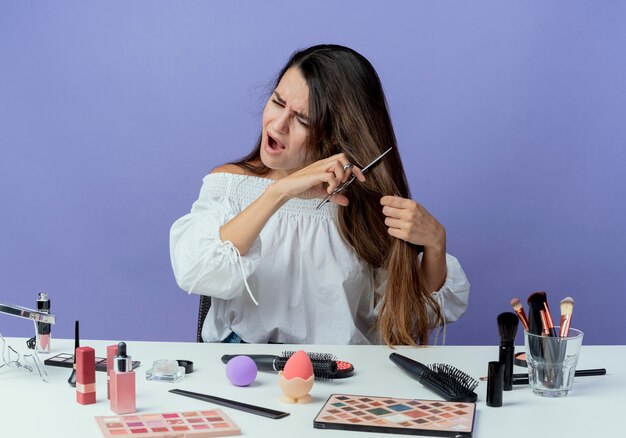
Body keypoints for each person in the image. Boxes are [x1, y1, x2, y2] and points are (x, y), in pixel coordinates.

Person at [170, 44, 469, 346]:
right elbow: (197, 272)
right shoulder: (230, 184)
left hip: (344, 372)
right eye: (277, 102)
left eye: (302, 120)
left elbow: (410, 317)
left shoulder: (359, 203)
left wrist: (435, 245)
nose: (278, 124)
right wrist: (279, 192)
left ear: (336, 134)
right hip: (245, 368)